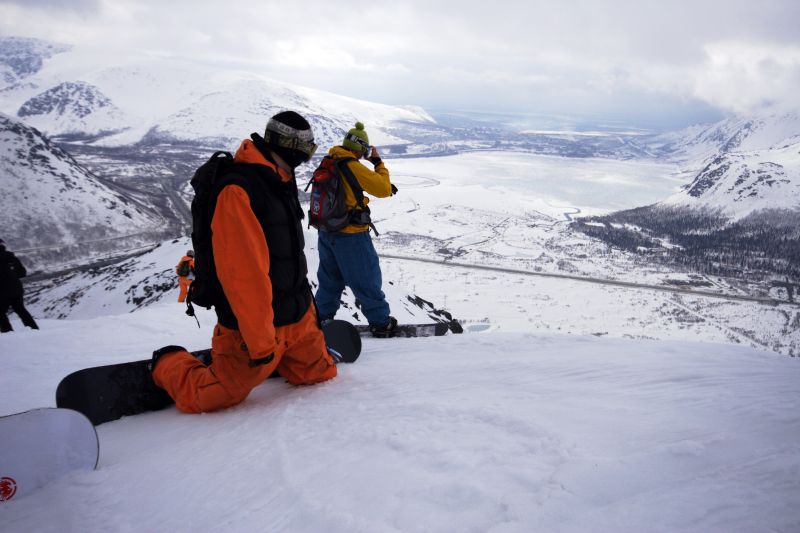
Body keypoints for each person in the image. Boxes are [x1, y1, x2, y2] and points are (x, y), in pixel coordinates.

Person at [151, 111, 337, 414]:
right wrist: (261, 344)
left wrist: (310, 316)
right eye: (308, 148)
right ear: (290, 145)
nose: (309, 156)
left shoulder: (281, 179)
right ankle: (168, 363)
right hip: (252, 329)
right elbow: (243, 276)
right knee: (212, 396)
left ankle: (282, 358)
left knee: (320, 375)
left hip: (298, 319)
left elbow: (289, 259)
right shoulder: (238, 190)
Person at [314, 122, 398, 337]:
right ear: (360, 147)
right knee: (367, 279)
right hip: (350, 234)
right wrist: (377, 162)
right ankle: (381, 323)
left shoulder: (331, 159)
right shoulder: (351, 165)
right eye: (365, 149)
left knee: (329, 281)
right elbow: (382, 189)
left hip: (327, 231)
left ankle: (319, 320)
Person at [0, 239, 39, 333]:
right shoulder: (11, 257)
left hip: (1, 292)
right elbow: (22, 273)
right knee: (21, 310)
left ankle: (8, 332)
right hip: (16, 289)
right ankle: (34, 330)